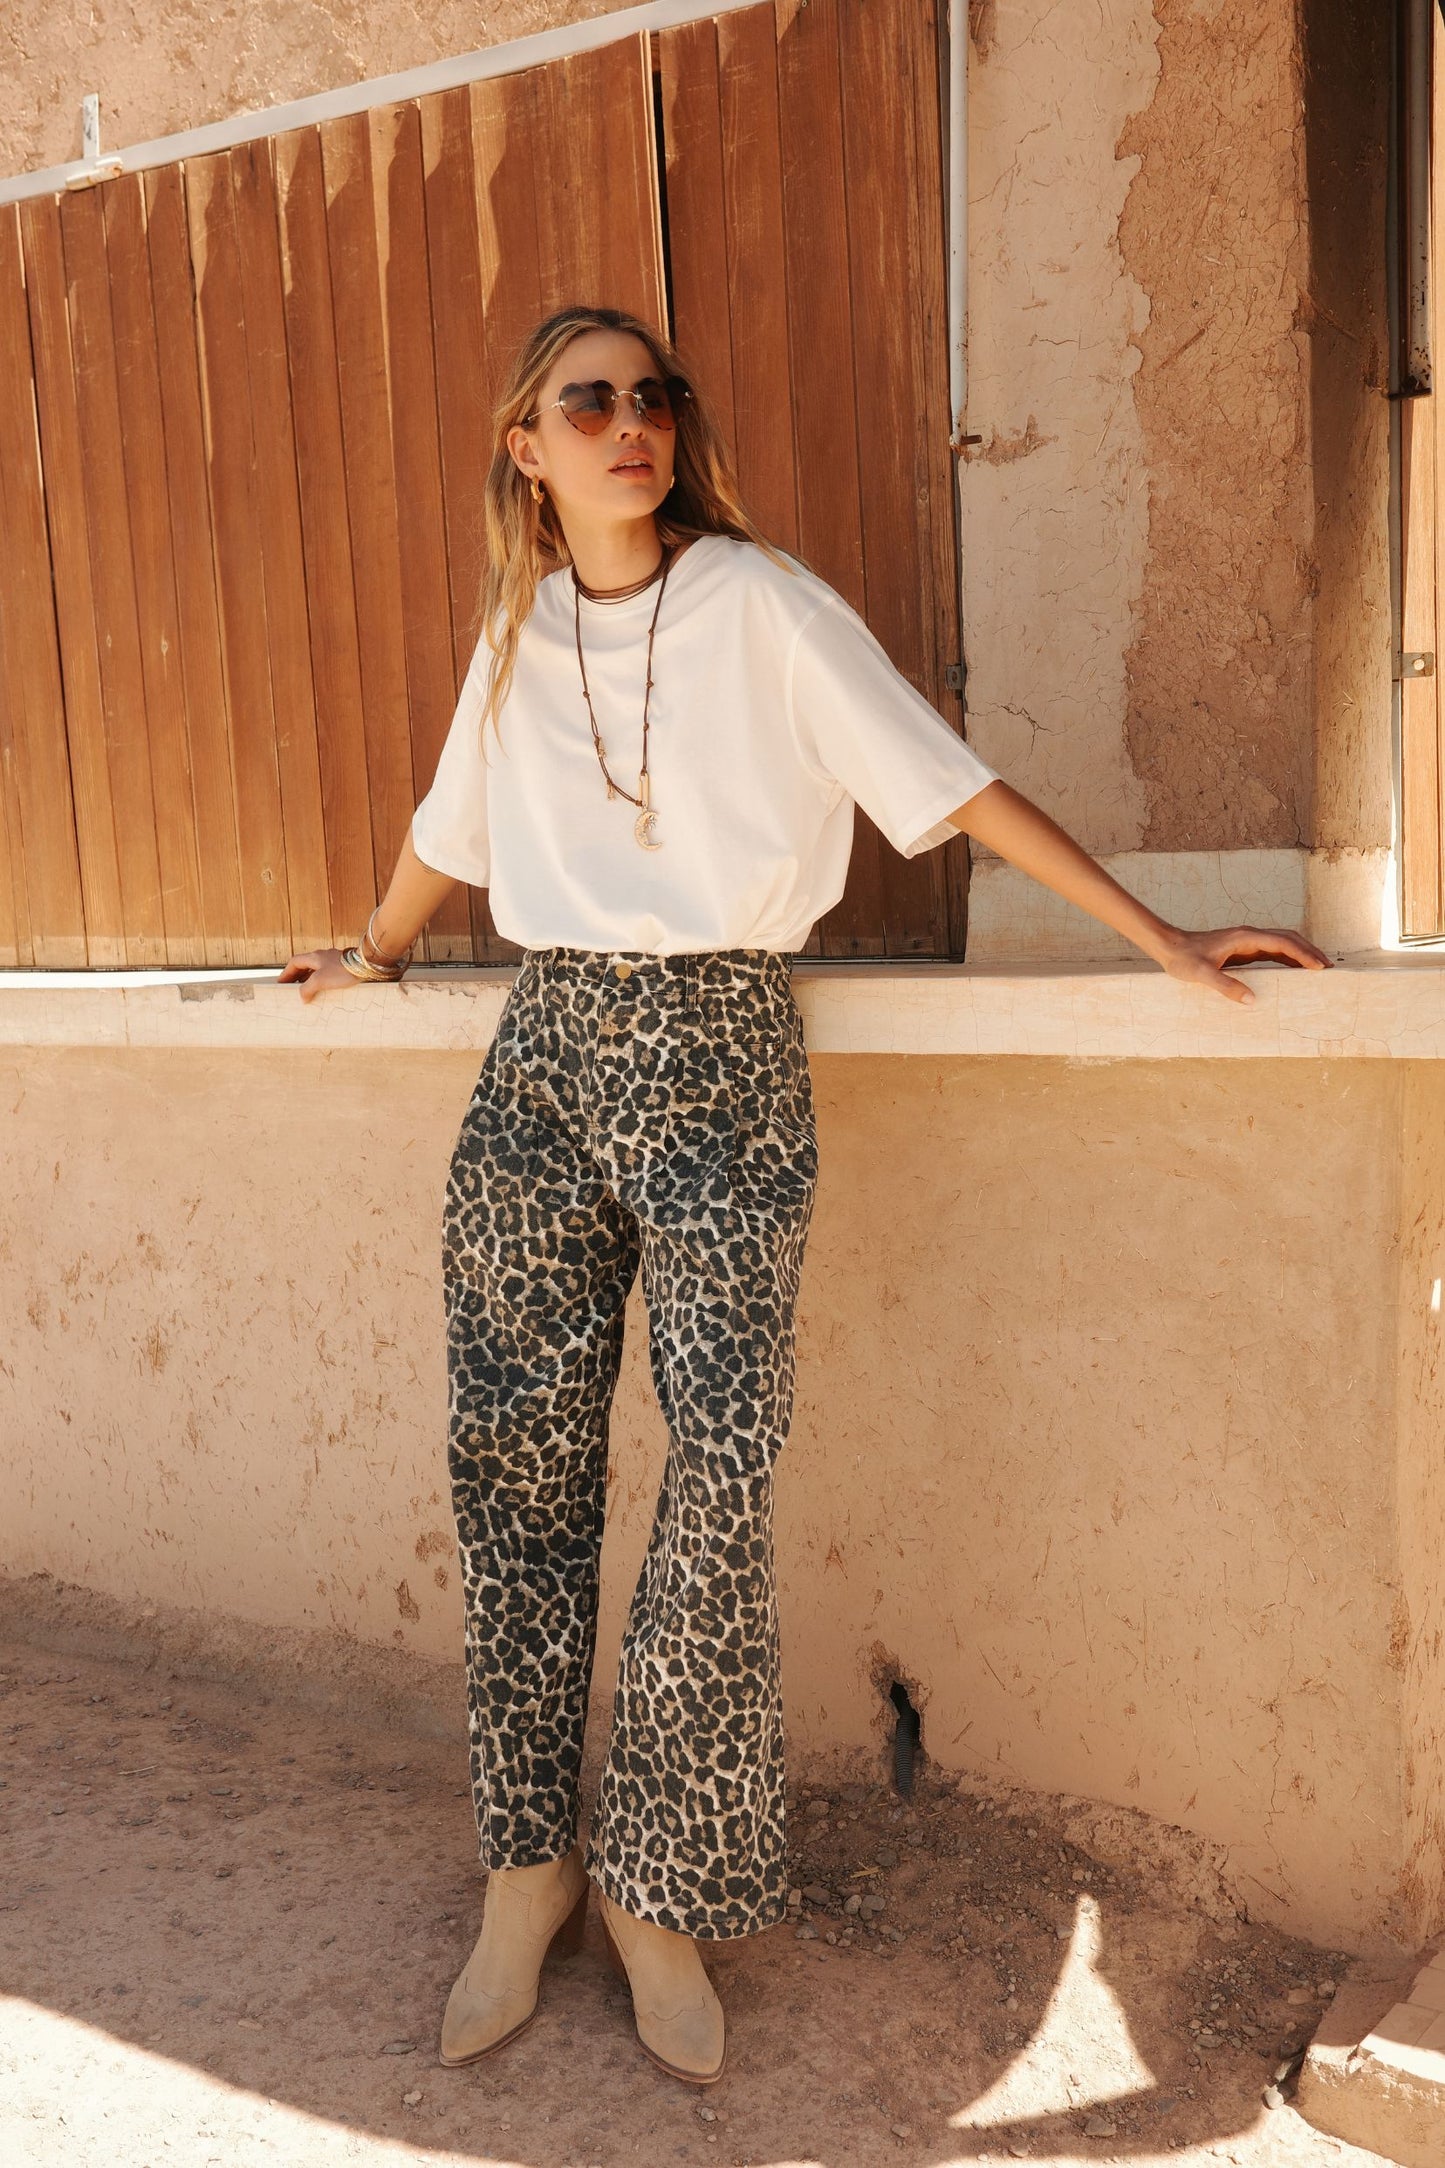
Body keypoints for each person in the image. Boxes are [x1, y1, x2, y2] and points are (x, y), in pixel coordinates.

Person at [279, 302, 1332, 2087]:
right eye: (588, 401)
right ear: (526, 448)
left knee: (721, 1459)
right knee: (512, 1463)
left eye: (654, 395)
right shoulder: (516, 630)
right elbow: (450, 830)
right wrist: (373, 954)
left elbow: (948, 785)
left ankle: (658, 1889)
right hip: (542, 1055)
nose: (631, 422)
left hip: (720, 1049)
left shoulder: (762, 603)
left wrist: (1156, 937)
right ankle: (525, 1869)